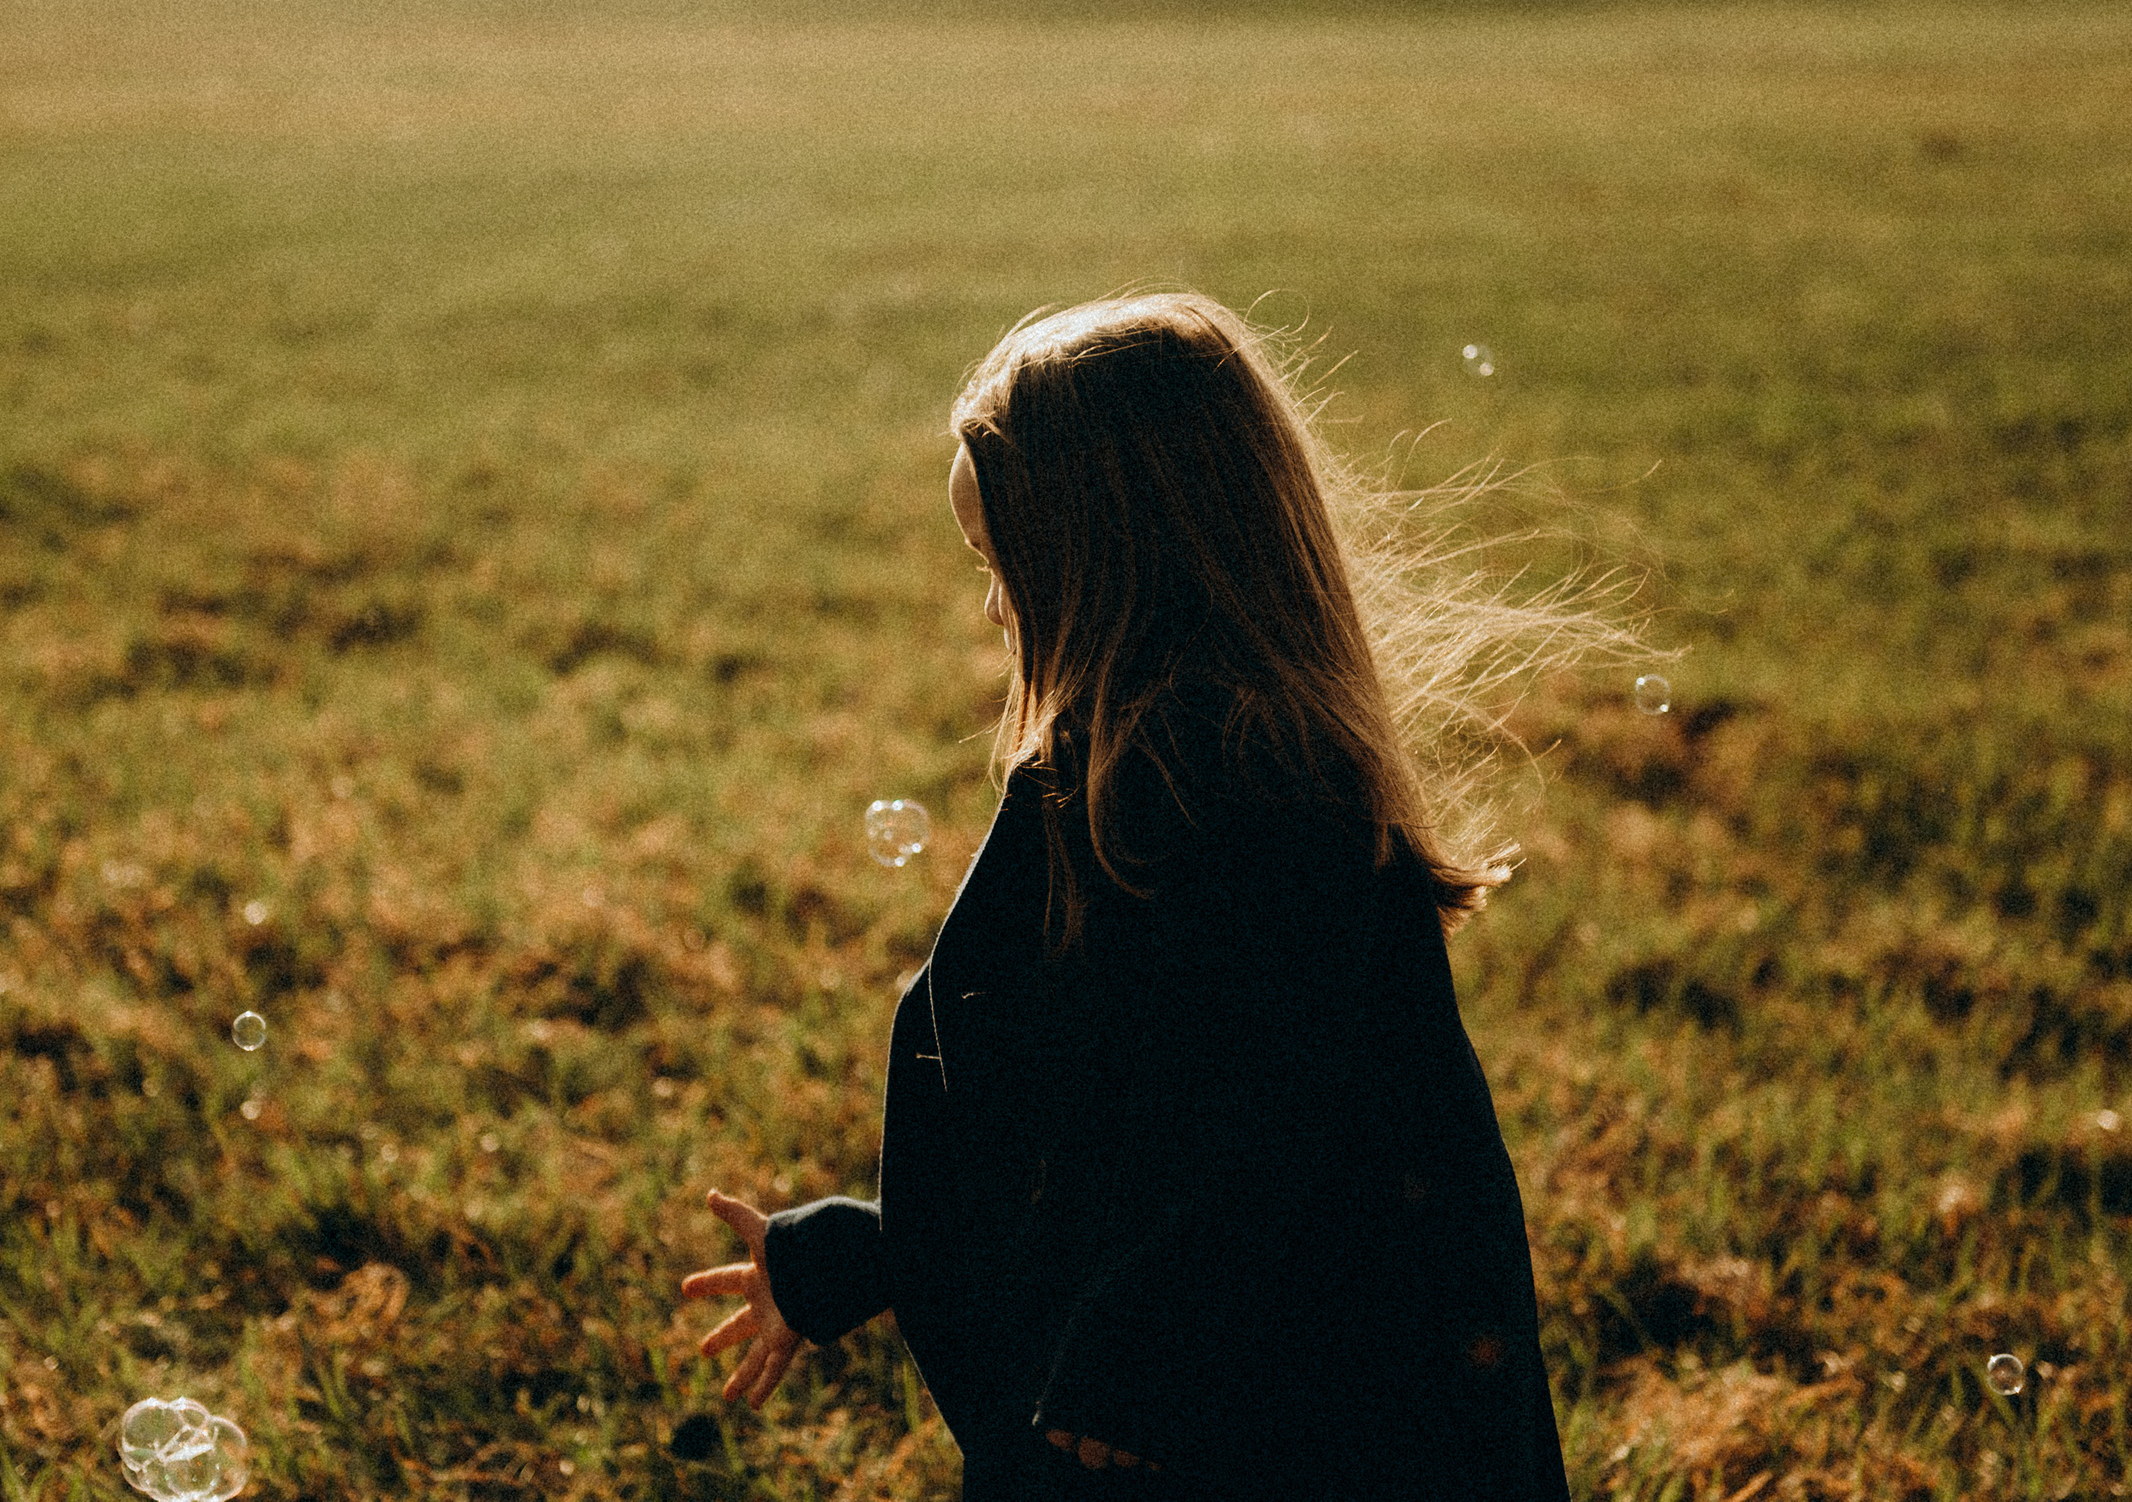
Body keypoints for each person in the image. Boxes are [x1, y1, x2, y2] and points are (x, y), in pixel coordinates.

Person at [683, 292, 1612, 1500]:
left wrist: (1137, 1364)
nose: (992, 602)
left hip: (1267, 1421)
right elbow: (1091, 1127)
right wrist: (863, 1253)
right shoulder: (1140, 775)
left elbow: (1257, 1130)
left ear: (1106, 552)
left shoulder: (1246, 796)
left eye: (1000, 559)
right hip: (1189, 1391)